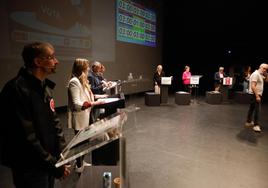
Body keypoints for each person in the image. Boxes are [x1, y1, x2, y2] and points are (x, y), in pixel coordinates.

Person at [0, 42, 70, 188]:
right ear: (38, 61)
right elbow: (27, 138)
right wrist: (53, 165)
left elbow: (55, 122)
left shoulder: (44, 87)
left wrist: (63, 154)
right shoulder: (15, 90)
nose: (56, 61)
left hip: (49, 163)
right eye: (51, 57)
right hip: (30, 167)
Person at [67, 58, 105, 173]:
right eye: (87, 67)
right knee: (80, 143)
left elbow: (87, 96)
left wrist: (99, 97)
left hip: (86, 116)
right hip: (79, 118)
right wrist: (95, 103)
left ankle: (81, 162)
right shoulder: (74, 81)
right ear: (81, 69)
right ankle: (79, 166)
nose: (89, 69)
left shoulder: (81, 80)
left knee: (85, 141)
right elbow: (77, 103)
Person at [245, 63, 268, 132]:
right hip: (255, 95)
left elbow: (266, 80)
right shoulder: (256, 74)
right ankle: (256, 125)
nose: (265, 70)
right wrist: (257, 96)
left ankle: (248, 122)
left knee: (252, 108)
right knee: (257, 110)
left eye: (266, 69)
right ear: (260, 67)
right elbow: (253, 86)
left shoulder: (260, 75)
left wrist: (266, 75)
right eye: (264, 68)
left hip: (255, 94)